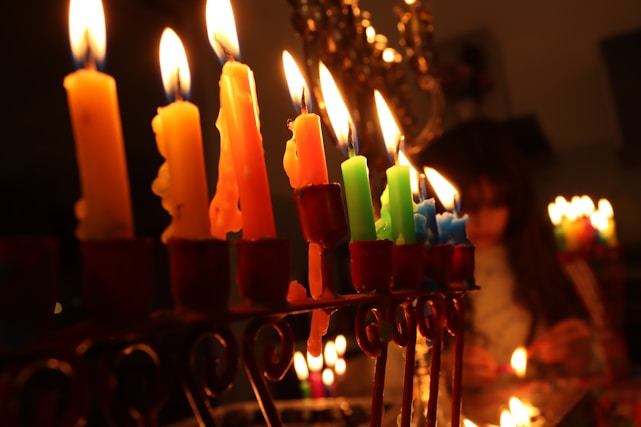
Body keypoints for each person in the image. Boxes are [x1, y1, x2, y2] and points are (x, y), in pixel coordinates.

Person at [417, 118, 606, 388]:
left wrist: (582, 354)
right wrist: (443, 372)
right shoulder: (425, 278)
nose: (483, 220)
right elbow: (393, 383)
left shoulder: (555, 265)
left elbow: (608, 365)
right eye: (469, 205)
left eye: (497, 203)